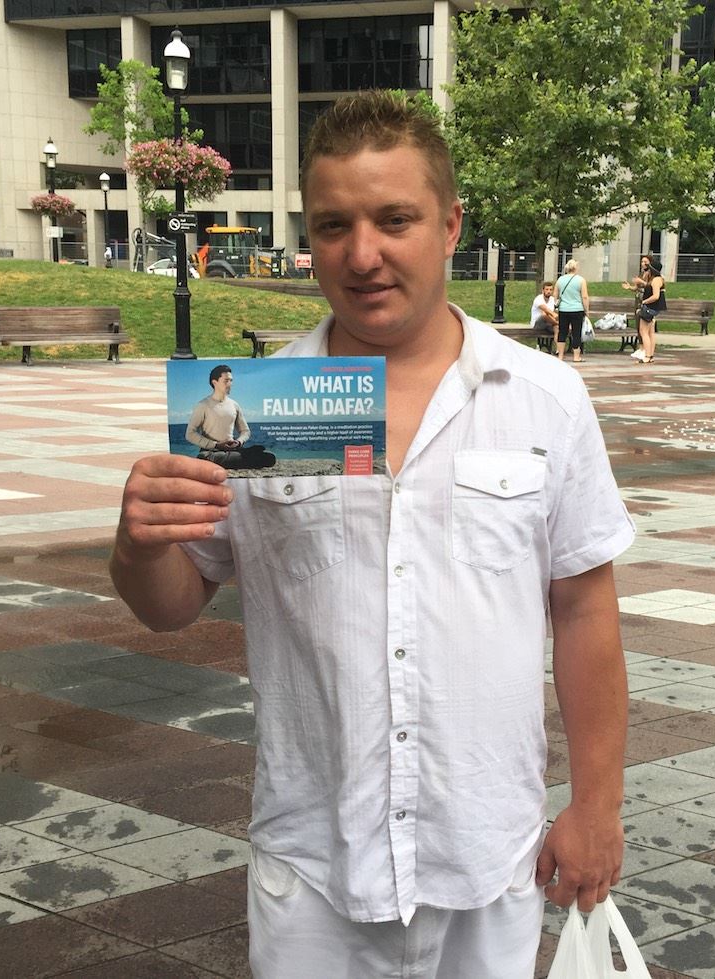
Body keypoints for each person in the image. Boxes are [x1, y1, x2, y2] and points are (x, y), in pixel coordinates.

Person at [110, 90, 632, 978]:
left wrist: (597, 805)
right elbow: (171, 605)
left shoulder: (544, 399)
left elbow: (584, 610)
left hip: (485, 853)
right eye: (333, 226)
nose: (363, 255)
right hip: (317, 863)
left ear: (450, 224)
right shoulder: (261, 408)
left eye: (395, 219)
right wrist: (138, 543)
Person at [184, 364, 276, 469]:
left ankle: (239, 457)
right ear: (215, 382)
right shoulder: (203, 405)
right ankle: (243, 458)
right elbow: (190, 434)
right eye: (226, 381)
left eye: (231, 381)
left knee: (269, 457)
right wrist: (216, 445)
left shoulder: (234, 405)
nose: (230, 384)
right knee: (205, 457)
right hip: (211, 451)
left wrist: (239, 442)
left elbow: (245, 431)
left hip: (232, 450)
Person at [622, 255, 664, 364]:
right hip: (652, 307)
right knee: (650, 332)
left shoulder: (655, 280)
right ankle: (650, 355)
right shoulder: (657, 279)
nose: (644, 265)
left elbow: (656, 296)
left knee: (644, 332)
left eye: (647, 263)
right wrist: (631, 287)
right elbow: (647, 288)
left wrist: (645, 302)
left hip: (649, 307)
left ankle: (647, 355)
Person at [554, 259, 589, 364]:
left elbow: (555, 295)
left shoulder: (560, 280)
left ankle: (560, 355)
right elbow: (584, 296)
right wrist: (586, 310)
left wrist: (557, 306)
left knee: (562, 332)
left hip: (563, 309)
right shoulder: (581, 280)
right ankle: (576, 356)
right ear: (575, 268)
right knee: (576, 332)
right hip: (577, 309)